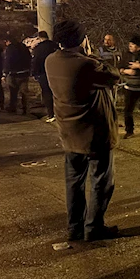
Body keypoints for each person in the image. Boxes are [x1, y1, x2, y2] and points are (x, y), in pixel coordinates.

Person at [46, 20, 121, 242]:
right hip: (94, 133)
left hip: (69, 133)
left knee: (74, 183)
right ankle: (94, 227)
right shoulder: (86, 64)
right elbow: (114, 76)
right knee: (101, 181)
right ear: (81, 40)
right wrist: (91, 55)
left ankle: (75, 227)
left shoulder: (50, 61)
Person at [32, 31, 58, 123]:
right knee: (57, 93)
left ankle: (51, 114)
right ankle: (59, 113)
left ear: (40, 38)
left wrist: (34, 73)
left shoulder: (38, 48)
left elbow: (36, 61)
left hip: (43, 73)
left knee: (47, 93)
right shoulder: (55, 45)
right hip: (56, 72)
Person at [4, 37, 32, 114]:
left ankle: (13, 107)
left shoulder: (10, 48)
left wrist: (5, 72)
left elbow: (8, 60)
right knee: (24, 92)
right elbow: (29, 58)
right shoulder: (23, 47)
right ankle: (25, 108)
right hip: (24, 73)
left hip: (14, 73)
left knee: (13, 91)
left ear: (9, 41)